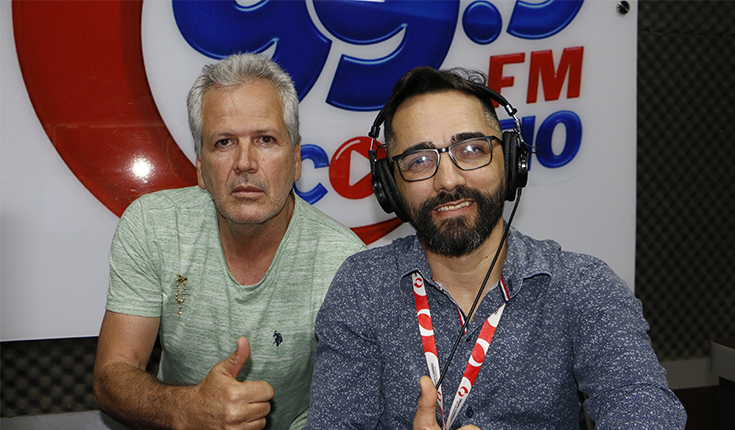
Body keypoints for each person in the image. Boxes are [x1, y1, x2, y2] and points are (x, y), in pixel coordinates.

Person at [305, 66, 686, 429]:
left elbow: (644, 408)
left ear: (510, 160)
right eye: (419, 160)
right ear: (390, 186)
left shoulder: (583, 284)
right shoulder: (362, 286)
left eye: (471, 149)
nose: (448, 180)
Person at [93, 53, 366, 430]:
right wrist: (187, 408)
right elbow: (112, 375)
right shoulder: (153, 226)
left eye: (265, 139)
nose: (245, 162)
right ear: (200, 168)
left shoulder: (344, 261)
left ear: (296, 160)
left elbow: (346, 409)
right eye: (224, 142)